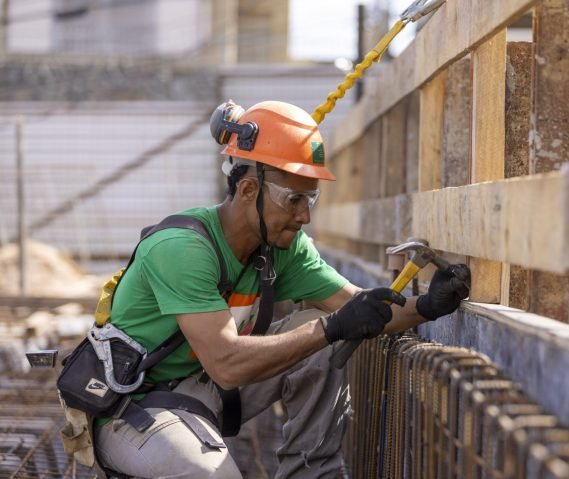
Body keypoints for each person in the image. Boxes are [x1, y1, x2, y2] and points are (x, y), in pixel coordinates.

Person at [92, 100, 470, 478]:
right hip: (136, 408)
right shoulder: (182, 249)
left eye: (311, 199)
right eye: (294, 200)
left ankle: (311, 473)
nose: (305, 215)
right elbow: (226, 364)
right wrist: (329, 327)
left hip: (208, 389)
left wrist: (427, 305)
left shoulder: (282, 247)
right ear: (248, 189)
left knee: (324, 329)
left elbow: (358, 307)